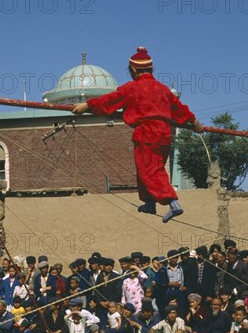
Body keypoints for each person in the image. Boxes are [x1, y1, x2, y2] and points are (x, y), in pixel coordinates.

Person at [72, 47, 203, 223]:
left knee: (150, 171)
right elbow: (180, 109)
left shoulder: (132, 88)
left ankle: (173, 203)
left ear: (133, 70)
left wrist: (87, 106)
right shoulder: (163, 89)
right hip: (164, 134)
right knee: (145, 169)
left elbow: (109, 100)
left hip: (147, 133)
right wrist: (195, 123)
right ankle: (149, 203)